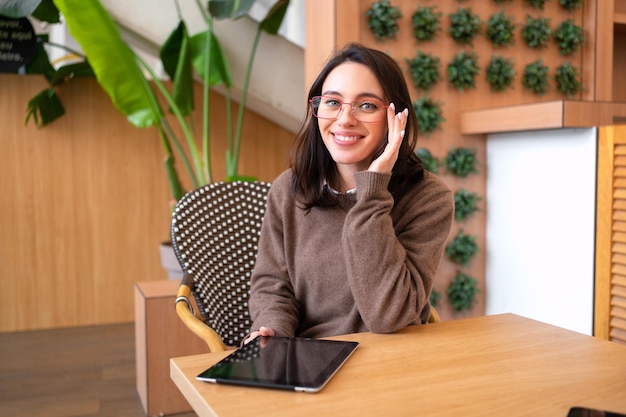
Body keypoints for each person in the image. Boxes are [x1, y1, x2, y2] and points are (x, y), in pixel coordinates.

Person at [244, 43, 454, 344]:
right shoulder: (289, 190)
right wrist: (273, 329)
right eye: (332, 102)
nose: (344, 119)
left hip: (394, 361)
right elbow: (273, 285)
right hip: (312, 360)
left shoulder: (428, 198)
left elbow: (389, 317)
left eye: (366, 105)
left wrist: (372, 190)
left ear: (396, 118)